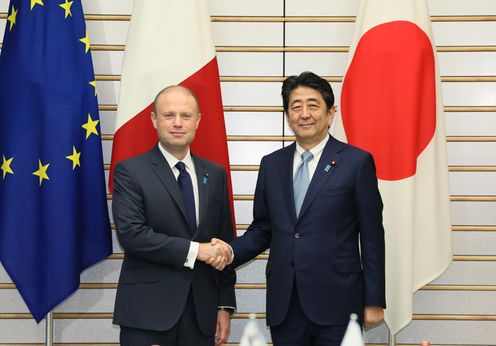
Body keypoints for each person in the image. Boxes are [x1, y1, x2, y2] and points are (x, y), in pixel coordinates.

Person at [213, 72, 386, 345]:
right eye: (296, 106)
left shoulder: (357, 162)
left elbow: (373, 237)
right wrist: (229, 251)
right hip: (286, 304)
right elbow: (263, 228)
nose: (304, 114)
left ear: (330, 114)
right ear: (287, 115)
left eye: (313, 105)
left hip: (339, 303)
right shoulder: (271, 165)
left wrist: (374, 300)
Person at [112, 85, 235, 346]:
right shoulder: (130, 172)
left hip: (201, 314)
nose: (178, 123)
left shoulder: (215, 174)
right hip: (147, 316)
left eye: (186, 116)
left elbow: (223, 240)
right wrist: (196, 251)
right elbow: (132, 235)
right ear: (154, 120)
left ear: (198, 121)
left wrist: (224, 305)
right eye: (168, 115)